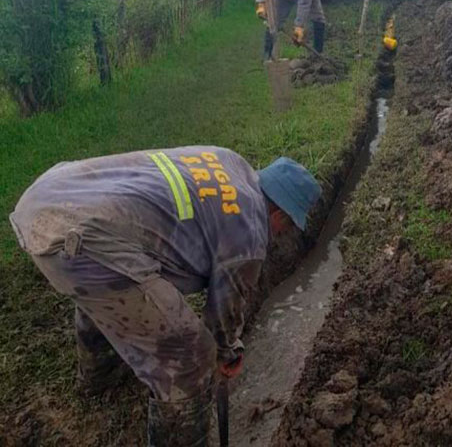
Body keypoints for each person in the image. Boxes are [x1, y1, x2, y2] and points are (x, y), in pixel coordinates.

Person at [10, 148, 321, 446]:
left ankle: (99, 378)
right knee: (193, 356)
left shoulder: (231, 161)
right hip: (77, 244)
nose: (283, 234)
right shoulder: (249, 232)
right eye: (289, 225)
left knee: (118, 287)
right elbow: (223, 318)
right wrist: (225, 353)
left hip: (52, 196)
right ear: (279, 214)